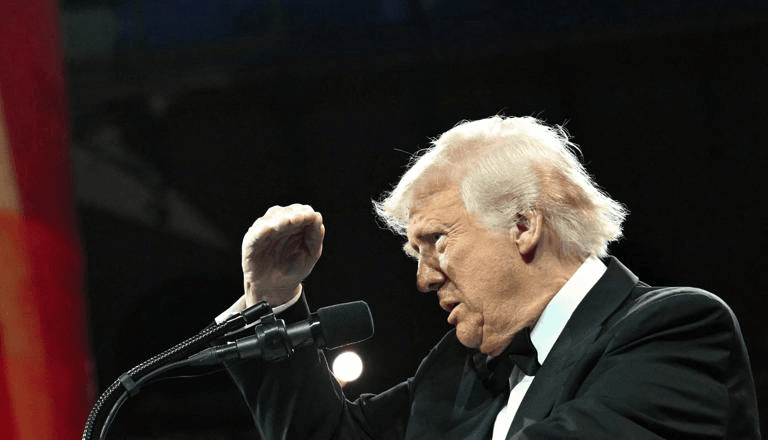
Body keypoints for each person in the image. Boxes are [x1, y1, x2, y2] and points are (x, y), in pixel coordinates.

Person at [220, 116, 760, 439]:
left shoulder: (677, 328)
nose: (424, 279)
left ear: (524, 225)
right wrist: (271, 300)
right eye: (414, 253)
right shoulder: (461, 371)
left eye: (437, 243)